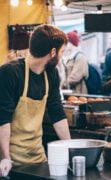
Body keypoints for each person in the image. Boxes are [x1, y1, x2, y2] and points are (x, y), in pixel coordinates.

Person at [0, 24, 71, 177]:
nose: (62, 56)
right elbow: (3, 118)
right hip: (11, 162)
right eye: (62, 52)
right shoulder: (10, 73)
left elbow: (56, 112)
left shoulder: (51, 74)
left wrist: (71, 148)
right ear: (53, 52)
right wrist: (5, 157)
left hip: (37, 157)